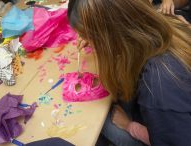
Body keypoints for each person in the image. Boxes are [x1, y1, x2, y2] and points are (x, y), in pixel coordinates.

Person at [68, 0, 191, 146]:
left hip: (162, 132)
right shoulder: (166, 21)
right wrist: (99, 38)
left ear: (110, 38)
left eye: (90, 37)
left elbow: (172, 139)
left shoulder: (158, 88)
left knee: (100, 121)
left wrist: (129, 126)